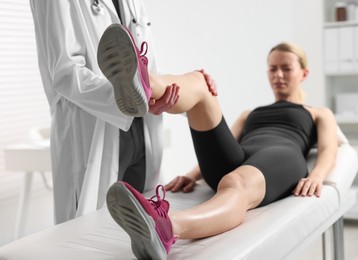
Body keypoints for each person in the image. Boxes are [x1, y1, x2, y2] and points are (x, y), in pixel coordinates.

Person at [99, 25, 338, 260]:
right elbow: (225, 144)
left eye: (286, 68)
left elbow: (329, 148)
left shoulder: (317, 112)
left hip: (282, 156)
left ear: (304, 74)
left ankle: (166, 227)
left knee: (235, 181)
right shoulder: (249, 114)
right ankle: (145, 83)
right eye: (273, 68)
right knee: (201, 82)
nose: (278, 75)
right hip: (241, 157)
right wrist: (193, 175)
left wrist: (317, 176)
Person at [29, 0, 186, 224]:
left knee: (143, 233)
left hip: (143, 132)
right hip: (92, 133)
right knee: (90, 239)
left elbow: (147, 65)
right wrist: (127, 98)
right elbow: (65, 73)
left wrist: (174, 90)